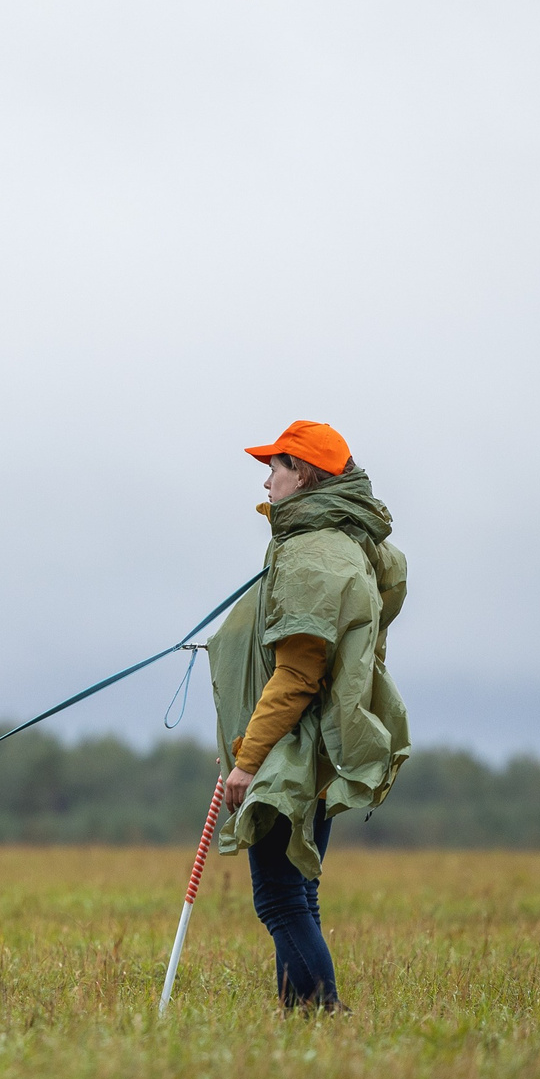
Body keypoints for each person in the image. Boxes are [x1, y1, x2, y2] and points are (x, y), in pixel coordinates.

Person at [210, 420, 411, 1010]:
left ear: (301, 474)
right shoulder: (349, 543)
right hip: (322, 746)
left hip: (292, 750)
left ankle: (325, 1012)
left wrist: (247, 760)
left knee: (278, 899)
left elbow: (298, 674)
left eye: (274, 467)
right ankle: (302, 1025)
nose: (266, 481)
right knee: (300, 893)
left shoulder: (311, 555)